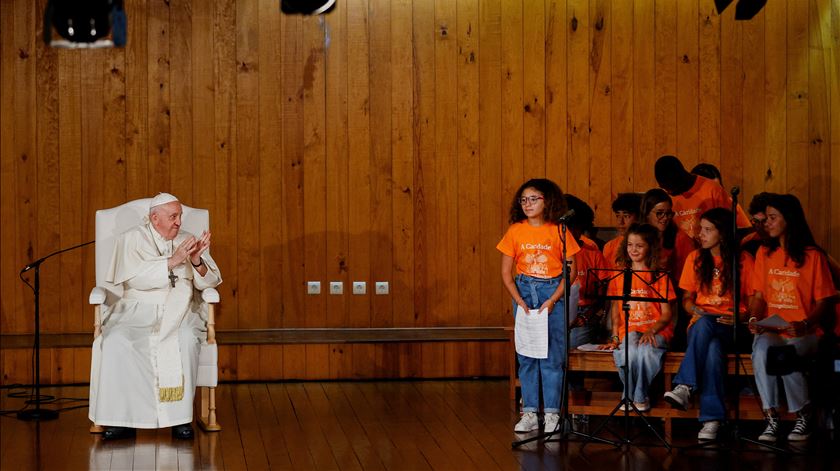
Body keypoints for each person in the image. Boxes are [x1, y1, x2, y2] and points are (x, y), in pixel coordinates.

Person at [89, 193, 223, 440]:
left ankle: (179, 420)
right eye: (173, 217)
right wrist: (173, 261)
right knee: (116, 340)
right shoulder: (131, 239)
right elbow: (134, 279)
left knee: (183, 339)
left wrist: (195, 261)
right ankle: (121, 420)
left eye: (180, 216)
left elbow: (210, 281)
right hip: (136, 308)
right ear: (154, 218)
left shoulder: (187, 240)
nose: (179, 223)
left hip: (180, 309)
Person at [748, 194, 837, 443]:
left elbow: (824, 302)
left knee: (784, 355)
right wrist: (755, 317)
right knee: (762, 348)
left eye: (773, 218)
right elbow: (759, 296)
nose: (767, 223)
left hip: (806, 332)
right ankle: (771, 416)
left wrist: (806, 324)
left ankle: (804, 414)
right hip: (774, 328)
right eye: (766, 218)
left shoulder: (813, 256)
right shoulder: (764, 253)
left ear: (790, 220)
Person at [663, 208, 755, 441]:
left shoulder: (743, 260)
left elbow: (755, 298)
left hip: (732, 325)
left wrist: (743, 317)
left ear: (722, 233)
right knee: (712, 348)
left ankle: (685, 386)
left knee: (710, 333)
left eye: (707, 230)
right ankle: (712, 419)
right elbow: (686, 301)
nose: (700, 234)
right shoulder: (695, 258)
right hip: (702, 324)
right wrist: (694, 309)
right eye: (700, 229)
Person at [498, 179, 580, 434]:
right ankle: (531, 411)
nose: (528, 204)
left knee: (552, 355)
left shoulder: (559, 230)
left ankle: (553, 414)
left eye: (534, 199)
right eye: (524, 199)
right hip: (524, 292)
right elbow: (506, 272)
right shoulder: (516, 230)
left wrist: (553, 299)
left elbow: (572, 272)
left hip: (551, 292)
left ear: (548, 201)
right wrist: (519, 300)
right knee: (527, 355)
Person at [600, 223, 676, 412]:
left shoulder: (659, 276)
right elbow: (616, 314)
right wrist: (616, 338)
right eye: (630, 245)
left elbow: (667, 314)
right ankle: (634, 394)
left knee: (645, 351)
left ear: (650, 247)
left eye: (639, 246)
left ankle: (637, 394)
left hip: (655, 330)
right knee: (628, 351)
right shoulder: (619, 276)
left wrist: (652, 330)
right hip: (630, 331)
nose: (633, 250)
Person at [654, 155, 750, 241]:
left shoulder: (713, 190)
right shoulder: (665, 198)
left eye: (669, 188)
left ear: (680, 179)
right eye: (663, 187)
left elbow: (728, 230)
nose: (668, 192)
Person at [564, 194, 609, 347]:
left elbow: (603, 295)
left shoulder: (593, 253)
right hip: (555, 310)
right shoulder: (550, 251)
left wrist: (586, 316)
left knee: (574, 346)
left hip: (584, 312)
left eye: (574, 228)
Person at [603, 193, 643, 268]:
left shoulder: (647, 244)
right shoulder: (609, 247)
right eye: (618, 216)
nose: (620, 222)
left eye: (626, 216)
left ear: (638, 217)